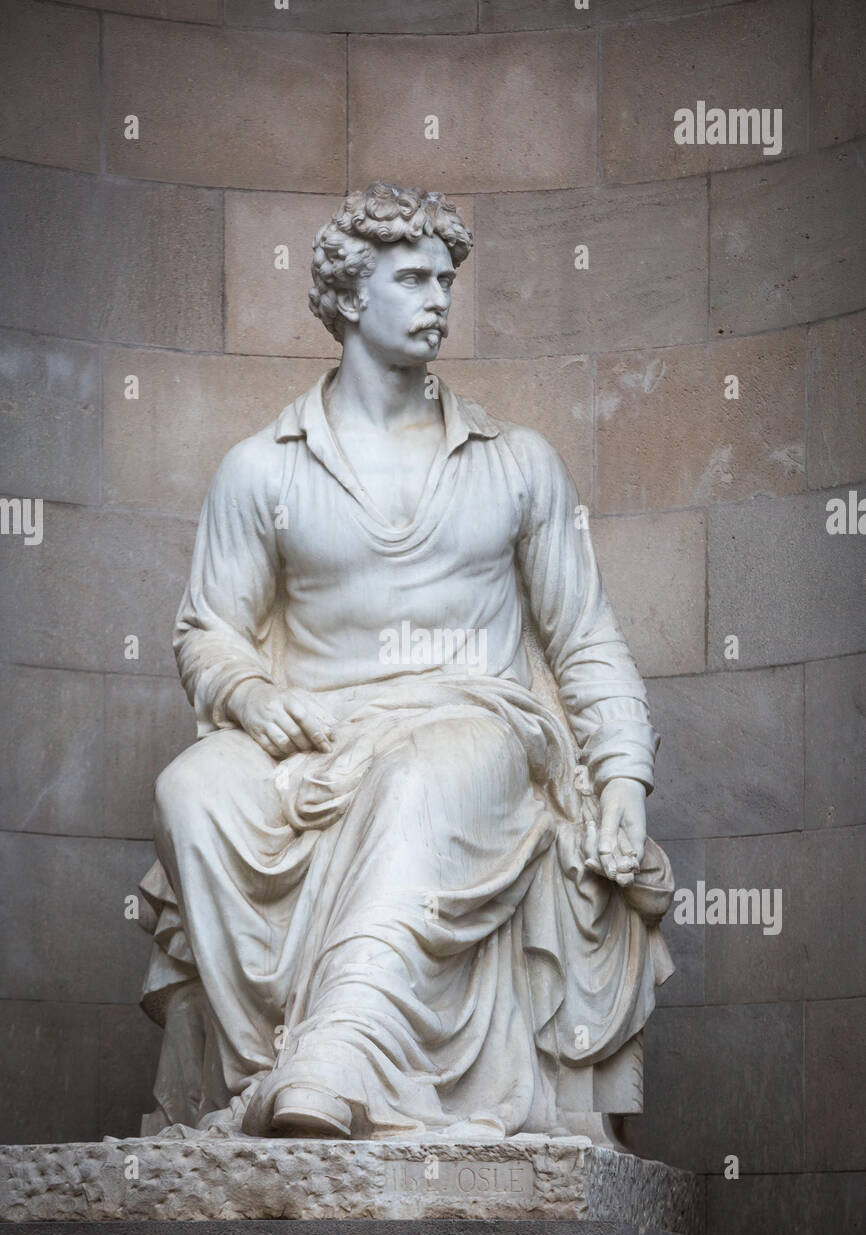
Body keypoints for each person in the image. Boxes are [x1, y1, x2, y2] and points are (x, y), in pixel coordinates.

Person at [138, 182, 674, 1141]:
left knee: (422, 776)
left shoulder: (519, 462)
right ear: (348, 296)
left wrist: (624, 777)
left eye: (446, 279)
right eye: (413, 277)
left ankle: (334, 1061)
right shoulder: (262, 468)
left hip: (477, 727)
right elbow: (207, 632)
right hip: (315, 733)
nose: (438, 298)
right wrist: (253, 696)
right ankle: (264, 1077)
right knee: (191, 790)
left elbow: (584, 637)